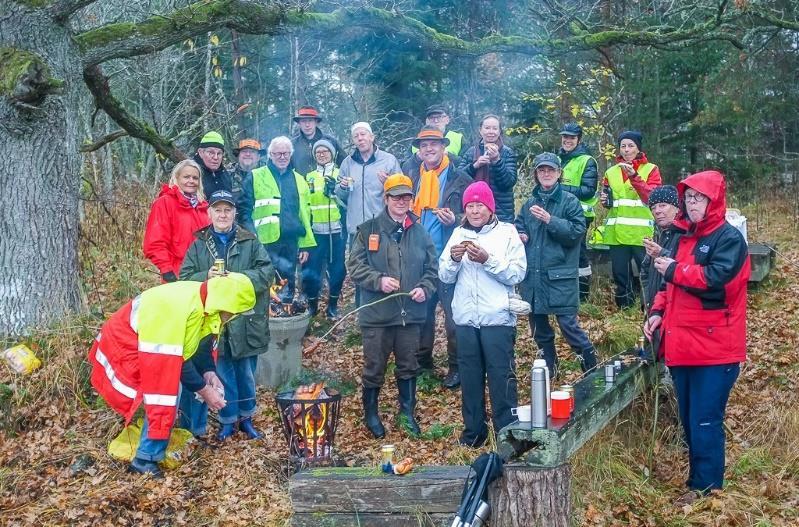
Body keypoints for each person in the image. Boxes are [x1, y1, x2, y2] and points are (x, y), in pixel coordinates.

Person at [643, 170, 749, 504]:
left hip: (716, 348)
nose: (691, 204)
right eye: (688, 198)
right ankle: (698, 481)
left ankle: (706, 488)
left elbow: (717, 281)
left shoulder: (729, 239)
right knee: (690, 420)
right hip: (682, 344)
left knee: (705, 420)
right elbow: (665, 285)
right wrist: (657, 312)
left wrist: (675, 269)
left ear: (713, 200)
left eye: (697, 198)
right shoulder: (681, 235)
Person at [88, 273, 256, 477]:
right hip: (126, 345)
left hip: (152, 345)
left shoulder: (207, 305)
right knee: (164, 393)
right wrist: (204, 390)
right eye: (233, 312)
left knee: (180, 385)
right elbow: (173, 364)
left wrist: (209, 373)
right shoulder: (180, 309)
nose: (233, 317)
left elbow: (198, 347)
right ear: (225, 303)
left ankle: (190, 434)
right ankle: (145, 458)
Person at [347, 174, 438, 438]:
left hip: (410, 315)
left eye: (406, 197)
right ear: (386, 199)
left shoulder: (420, 232)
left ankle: (407, 413)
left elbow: (433, 268)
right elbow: (354, 266)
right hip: (377, 316)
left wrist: (425, 288)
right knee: (374, 367)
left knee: (409, 366)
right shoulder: (367, 230)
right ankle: (371, 415)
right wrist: (378, 280)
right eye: (396, 196)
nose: (402, 201)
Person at [180, 190, 274, 441]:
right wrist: (205, 277)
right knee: (222, 372)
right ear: (209, 213)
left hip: (245, 320)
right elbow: (185, 278)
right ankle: (226, 420)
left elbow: (266, 273)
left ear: (234, 213)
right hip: (213, 323)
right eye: (218, 210)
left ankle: (247, 419)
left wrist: (238, 281)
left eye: (227, 210)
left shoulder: (250, 241)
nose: (223, 215)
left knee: (245, 373)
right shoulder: (199, 244)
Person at [439, 181, 526, 447]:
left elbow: (517, 273)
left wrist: (487, 259)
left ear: (490, 208)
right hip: (465, 319)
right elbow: (443, 275)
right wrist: (454, 260)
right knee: (470, 378)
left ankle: (507, 434)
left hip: (497, 318)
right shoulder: (457, 234)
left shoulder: (508, 233)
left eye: (480, 205)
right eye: (470, 206)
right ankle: (473, 433)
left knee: (502, 377)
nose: (475, 211)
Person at [515, 153, 597, 378]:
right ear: (536, 174)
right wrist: (520, 234)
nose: (546, 174)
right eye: (542, 170)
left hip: (560, 276)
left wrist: (550, 220)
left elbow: (577, 232)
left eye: (551, 170)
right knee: (539, 329)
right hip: (533, 277)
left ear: (559, 174)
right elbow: (519, 225)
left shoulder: (569, 201)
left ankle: (592, 369)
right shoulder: (529, 203)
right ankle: (551, 370)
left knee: (569, 327)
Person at [406, 126, 472, 389]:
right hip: (420, 258)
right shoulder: (412, 177)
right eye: (424, 145)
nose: (429, 149)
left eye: (434, 144)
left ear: (444, 147)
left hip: (449, 257)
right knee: (421, 313)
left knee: (453, 316)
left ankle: (456, 367)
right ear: (419, 150)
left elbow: (476, 216)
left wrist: (455, 220)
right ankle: (423, 364)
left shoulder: (460, 178)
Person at [600, 130, 662, 309]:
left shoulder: (651, 169)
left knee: (647, 273)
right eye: (623, 146)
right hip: (617, 233)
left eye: (630, 146)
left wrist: (634, 177)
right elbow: (609, 198)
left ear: (638, 148)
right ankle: (624, 309)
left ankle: (649, 308)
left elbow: (653, 197)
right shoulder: (611, 172)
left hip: (641, 234)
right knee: (620, 273)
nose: (626, 150)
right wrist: (605, 202)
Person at [250, 136, 316, 300]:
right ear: (270, 154)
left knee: (287, 282)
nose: (282, 157)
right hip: (264, 241)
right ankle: (266, 318)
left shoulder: (299, 180)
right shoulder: (255, 176)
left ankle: (286, 313)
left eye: (286, 153)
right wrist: (252, 238)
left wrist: (305, 245)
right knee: (265, 282)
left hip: (290, 241)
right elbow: (244, 210)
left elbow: (306, 216)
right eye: (278, 153)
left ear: (291, 154)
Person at [143, 159, 210, 283]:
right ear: (177, 178)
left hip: (203, 274)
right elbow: (155, 242)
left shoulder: (204, 207)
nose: (191, 181)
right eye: (186, 177)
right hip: (177, 272)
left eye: (195, 178)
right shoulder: (164, 203)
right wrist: (166, 269)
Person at [336, 122, 403, 245]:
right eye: (356, 136)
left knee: (382, 264)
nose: (360, 138)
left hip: (382, 228)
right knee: (356, 265)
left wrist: (388, 184)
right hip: (356, 230)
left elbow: (402, 192)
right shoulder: (347, 163)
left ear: (372, 137)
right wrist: (342, 187)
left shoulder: (389, 160)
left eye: (363, 134)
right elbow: (340, 197)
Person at [301, 139, 347, 319]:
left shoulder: (341, 173)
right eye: (318, 152)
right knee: (311, 271)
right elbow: (304, 205)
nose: (321, 154)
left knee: (337, 270)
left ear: (332, 154)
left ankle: (333, 306)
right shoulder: (309, 176)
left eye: (325, 151)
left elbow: (348, 201)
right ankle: (312, 305)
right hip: (315, 234)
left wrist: (335, 192)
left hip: (336, 232)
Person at [558, 122, 599, 301]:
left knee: (579, 253)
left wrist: (560, 188)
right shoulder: (558, 159)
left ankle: (583, 294)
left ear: (579, 140)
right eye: (565, 137)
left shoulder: (587, 161)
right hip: (560, 213)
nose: (567, 140)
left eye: (572, 138)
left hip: (580, 215)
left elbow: (588, 190)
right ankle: (565, 291)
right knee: (562, 252)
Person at [458, 114, 517, 223]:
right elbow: (458, 178)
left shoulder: (507, 153)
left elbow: (508, 183)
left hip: (501, 212)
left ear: (499, 132)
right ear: (480, 130)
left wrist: (497, 161)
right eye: (487, 128)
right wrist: (475, 165)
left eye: (495, 128)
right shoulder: (471, 152)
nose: (491, 132)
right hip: (474, 212)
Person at [640, 185, 682, 316]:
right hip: (654, 311)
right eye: (653, 207)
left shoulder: (686, 235)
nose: (657, 211)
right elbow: (644, 273)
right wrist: (646, 304)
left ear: (676, 208)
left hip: (675, 312)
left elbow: (687, 268)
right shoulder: (658, 234)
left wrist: (661, 252)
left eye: (663, 205)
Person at [290, 106, 345, 176]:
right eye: (303, 121)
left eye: (310, 120)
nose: (307, 125)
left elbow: (344, 165)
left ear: (316, 122)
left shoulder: (331, 141)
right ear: (299, 123)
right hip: (301, 186)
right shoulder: (292, 145)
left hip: (328, 185)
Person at [230, 138, 265, 233]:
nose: (248, 154)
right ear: (238, 155)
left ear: (258, 156)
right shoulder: (227, 175)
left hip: (263, 229)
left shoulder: (268, 174)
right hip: (234, 230)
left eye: (252, 152)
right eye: (244, 151)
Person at [194, 131, 233, 196]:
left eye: (219, 153)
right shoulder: (192, 173)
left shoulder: (225, 174)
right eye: (211, 152)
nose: (215, 157)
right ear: (200, 152)